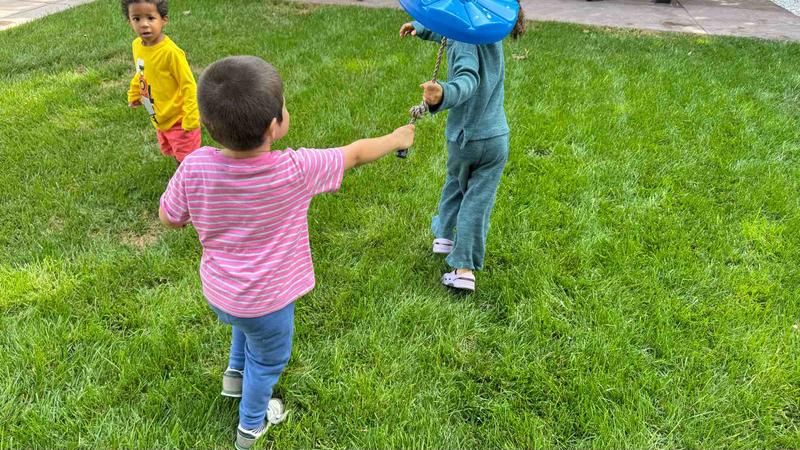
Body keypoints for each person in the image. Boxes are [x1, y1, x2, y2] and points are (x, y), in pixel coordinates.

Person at [158, 55, 414, 450]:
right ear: (274, 125)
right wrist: (398, 138)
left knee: (245, 327)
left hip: (221, 295)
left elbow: (170, 218)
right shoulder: (295, 169)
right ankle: (251, 426)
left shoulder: (195, 167)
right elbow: (356, 153)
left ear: (208, 127)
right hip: (269, 302)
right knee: (268, 359)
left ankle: (233, 378)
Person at [399, 4, 526, 292]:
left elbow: (467, 80)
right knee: (470, 194)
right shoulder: (486, 32)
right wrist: (420, 28)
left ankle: (463, 268)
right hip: (495, 138)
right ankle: (444, 235)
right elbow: (447, 32)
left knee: (466, 195)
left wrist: (443, 93)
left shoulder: (464, 41)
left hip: (465, 139)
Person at [123, 0, 200, 164]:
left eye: (150, 18)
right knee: (174, 152)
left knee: (187, 160)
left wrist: (191, 118)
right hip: (160, 117)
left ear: (163, 19)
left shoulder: (170, 53)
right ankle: (181, 178)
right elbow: (141, 72)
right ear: (129, 21)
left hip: (180, 120)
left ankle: (188, 184)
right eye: (136, 19)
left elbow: (188, 85)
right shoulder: (137, 45)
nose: (144, 25)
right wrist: (135, 92)